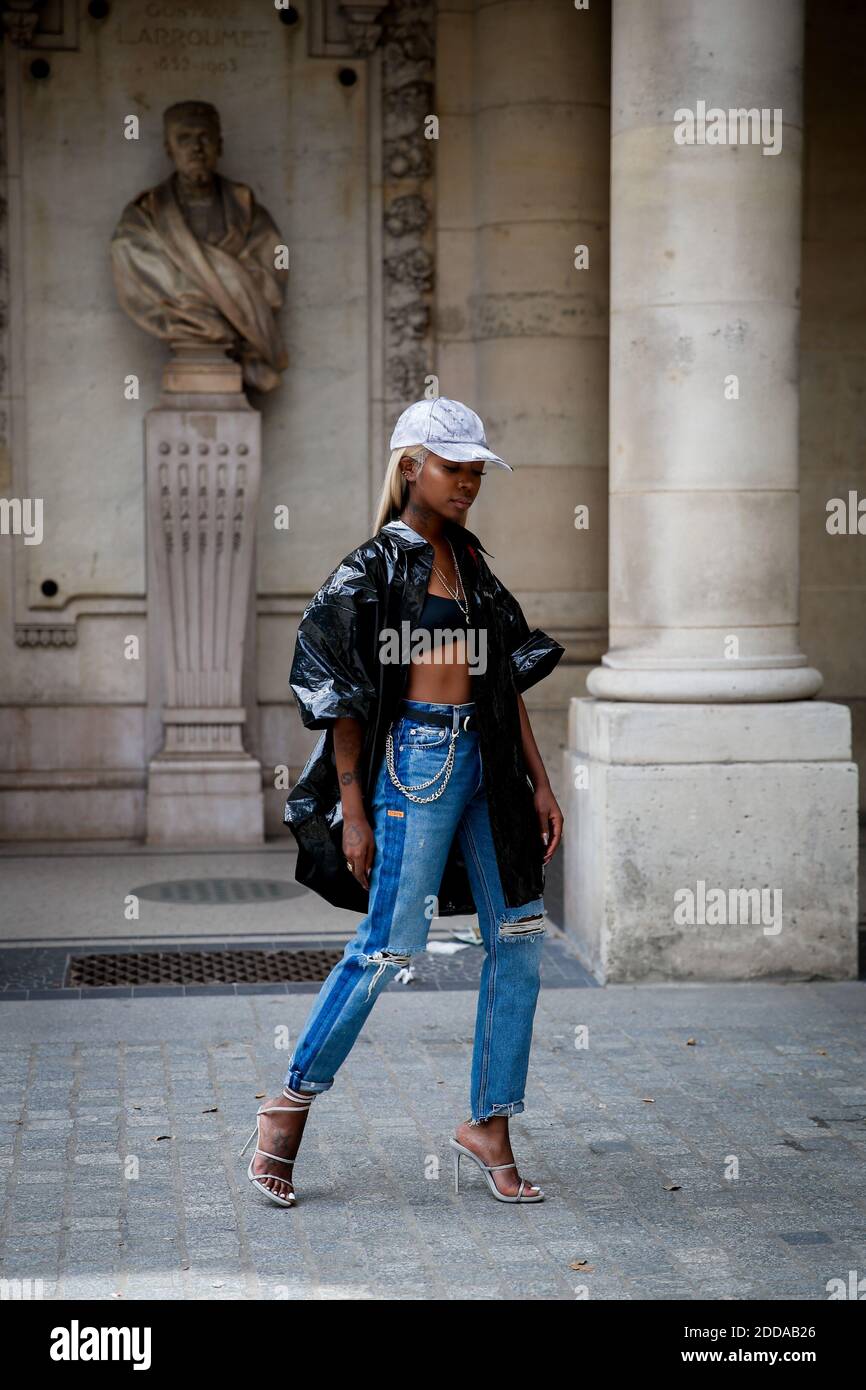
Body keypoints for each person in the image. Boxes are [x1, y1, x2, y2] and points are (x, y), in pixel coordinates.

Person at [241, 398, 565, 1207]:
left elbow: (504, 677)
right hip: (418, 760)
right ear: (412, 465)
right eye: (455, 468)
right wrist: (353, 810)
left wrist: (541, 779)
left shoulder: (473, 562)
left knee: (519, 936)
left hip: (491, 759)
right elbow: (343, 698)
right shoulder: (371, 568)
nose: (469, 483)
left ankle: (489, 1123)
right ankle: (287, 1105)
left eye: (476, 471)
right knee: (387, 945)